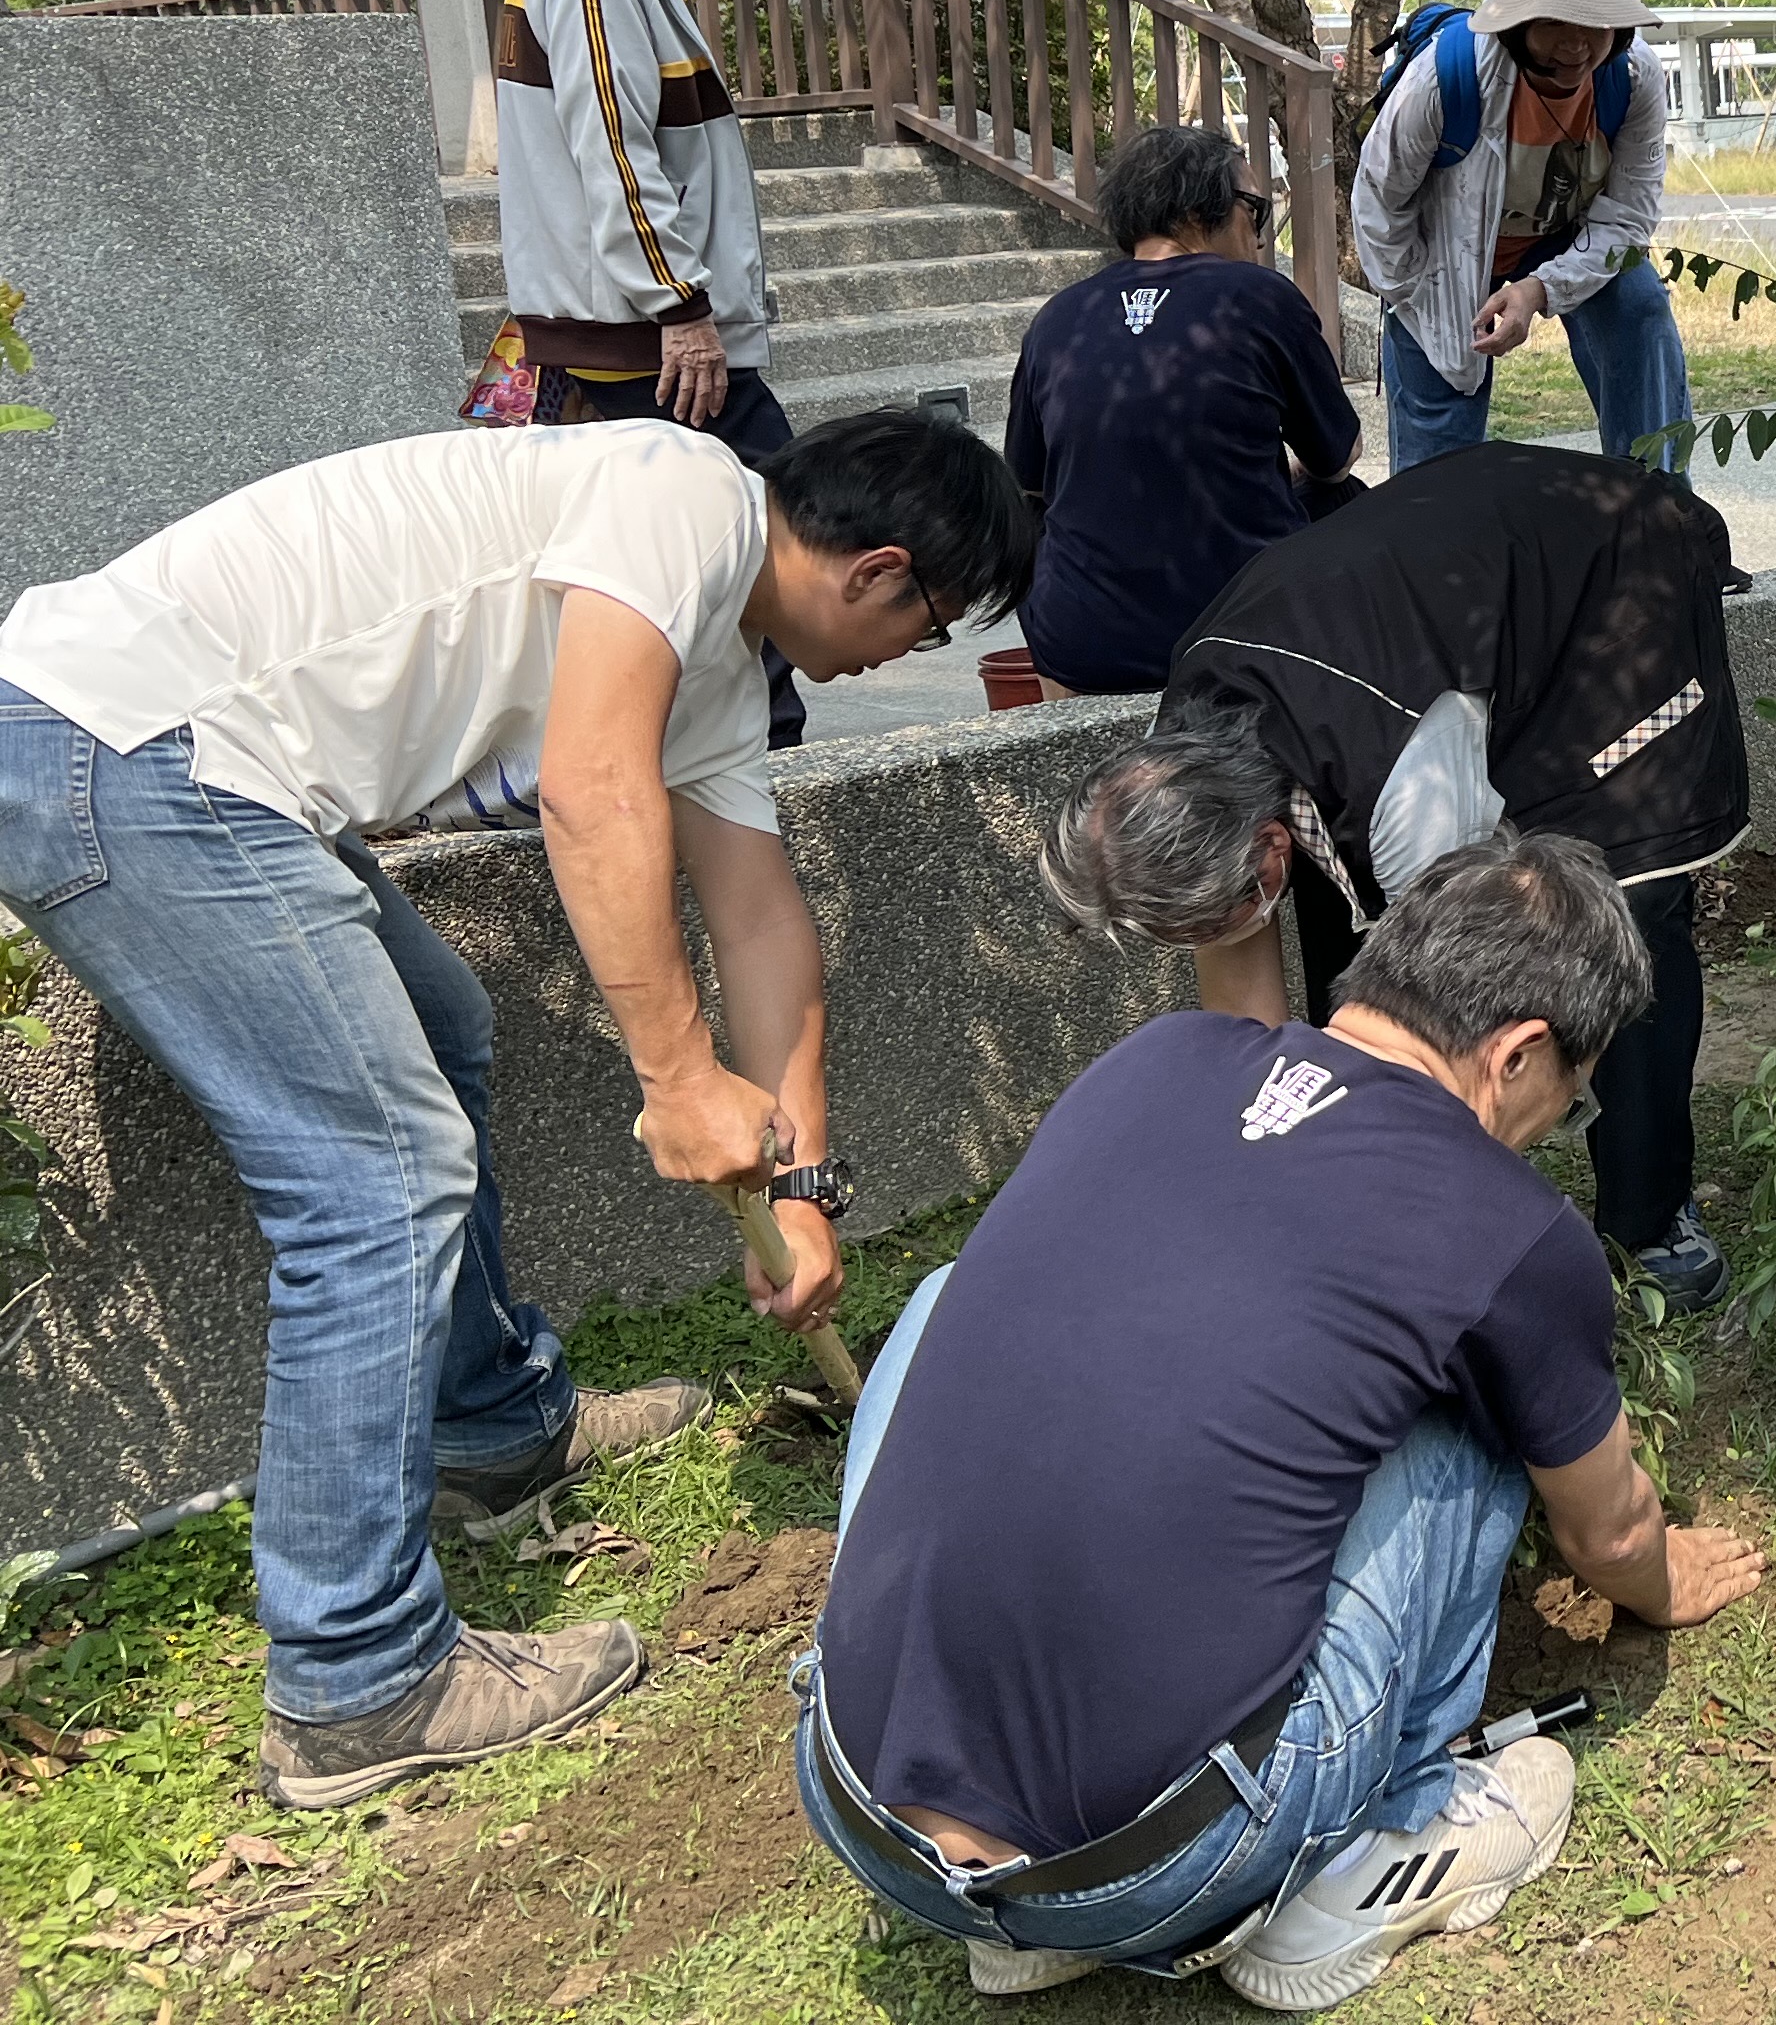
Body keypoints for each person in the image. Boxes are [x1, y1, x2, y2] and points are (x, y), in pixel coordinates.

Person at [0, 407, 1032, 1808]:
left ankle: (492, 1428)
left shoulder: (717, 659)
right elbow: (591, 791)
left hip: (172, 753)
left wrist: (801, 1191)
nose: (905, 657)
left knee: (442, 1030)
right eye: (928, 631)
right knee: (379, 1184)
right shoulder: (686, 497)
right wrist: (677, 1078)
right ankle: (356, 1678)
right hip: (123, 745)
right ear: (880, 572)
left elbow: (760, 917)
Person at [797, 832, 1769, 2009]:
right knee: (1476, 1416)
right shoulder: (1506, 1228)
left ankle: (1013, 1916)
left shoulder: (1160, 1054)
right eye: (1575, 1087)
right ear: (1519, 1053)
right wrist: (1666, 1578)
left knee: (952, 1297)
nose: (1563, 1114)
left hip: (856, 1800)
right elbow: (1605, 1535)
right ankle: (1371, 1850)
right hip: (1159, 1858)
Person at [1041, 443, 1748, 1311]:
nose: (1213, 941)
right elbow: (1245, 1019)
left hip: (1615, 583)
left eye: (1215, 920)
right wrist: (1267, 1160)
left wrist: (1432, 1193)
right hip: (1448, 611)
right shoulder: (1187, 753)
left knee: (1619, 911)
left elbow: (1472, 1002)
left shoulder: (1412, 797)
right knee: (1355, 940)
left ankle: (1652, 1222)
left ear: (1268, 848)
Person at [498, 0, 806, 744]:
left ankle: (748, 740)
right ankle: (762, 747)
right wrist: (680, 307)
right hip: (644, 337)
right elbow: (616, 153)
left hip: (640, 329)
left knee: (726, 542)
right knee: (766, 533)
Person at [1006, 125, 1364, 694]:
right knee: (1345, 498)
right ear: (1199, 211)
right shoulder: (1259, 295)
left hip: (1079, 644)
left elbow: (1029, 485)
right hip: (1236, 632)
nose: (1259, 236)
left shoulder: (1057, 316)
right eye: (1254, 210)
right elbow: (1336, 458)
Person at [1351, 0, 1692, 477]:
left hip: (1566, 236)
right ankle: (1436, 532)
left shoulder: (1633, 79)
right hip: (1443, 252)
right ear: (1516, 23)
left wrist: (1539, 290)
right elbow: (1378, 204)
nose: (1577, 45)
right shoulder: (1444, 77)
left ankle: (1658, 505)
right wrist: (1424, 298)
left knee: (1638, 309)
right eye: (1555, 21)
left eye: (1597, 23)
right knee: (1436, 464)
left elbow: (1628, 216)